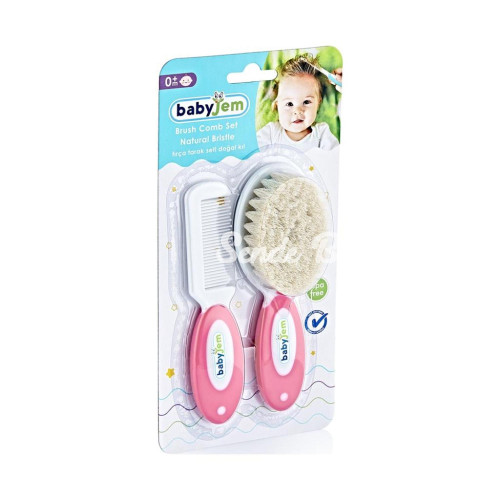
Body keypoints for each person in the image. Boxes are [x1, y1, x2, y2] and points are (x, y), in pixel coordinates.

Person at [257, 54, 340, 152]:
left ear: (318, 103)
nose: (297, 111)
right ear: (277, 105)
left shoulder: (321, 134)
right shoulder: (271, 133)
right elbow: (252, 156)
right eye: (289, 104)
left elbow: (335, 157)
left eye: (306, 102)